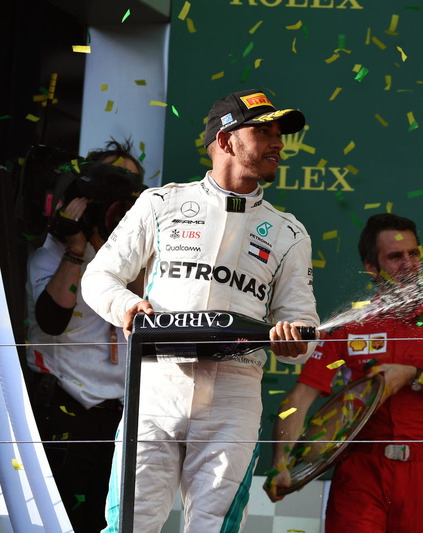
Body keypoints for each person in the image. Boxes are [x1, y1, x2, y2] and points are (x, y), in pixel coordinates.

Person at [81, 89, 320, 533]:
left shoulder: (290, 233)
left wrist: (295, 340)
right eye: (263, 131)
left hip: (235, 392)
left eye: (279, 134)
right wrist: (128, 307)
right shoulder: (160, 203)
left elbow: (303, 330)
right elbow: (98, 279)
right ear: (226, 140)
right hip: (155, 386)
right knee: (128, 525)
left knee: (215, 529)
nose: (278, 144)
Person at [267, 213, 423, 533]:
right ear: (371, 267)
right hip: (359, 469)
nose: (408, 264)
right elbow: (300, 398)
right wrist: (280, 463)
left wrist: (416, 377)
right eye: (395, 257)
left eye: (414, 254)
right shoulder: (348, 326)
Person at [25, 138, 145, 533]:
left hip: (118, 420)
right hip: (59, 406)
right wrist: (77, 247)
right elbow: (51, 321)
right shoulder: (52, 251)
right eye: (110, 182)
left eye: (128, 187)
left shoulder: (141, 255)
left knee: (106, 523)